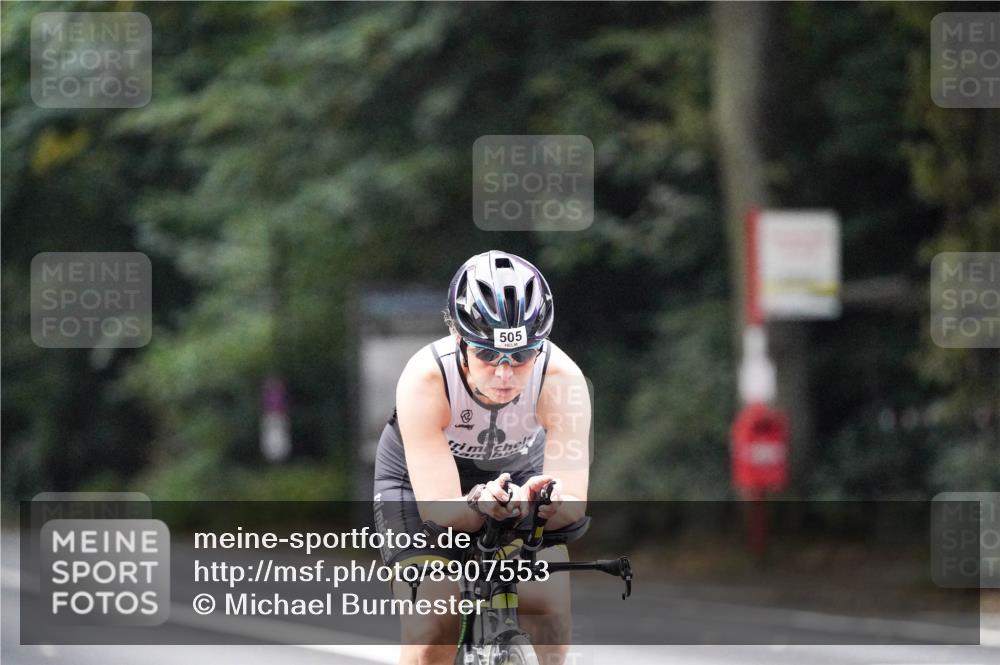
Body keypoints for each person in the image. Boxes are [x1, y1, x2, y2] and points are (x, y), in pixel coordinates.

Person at [373, 250, 591, 665]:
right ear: (459, 340)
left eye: (521, 356)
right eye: (488, 355)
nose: (505, 374)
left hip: (517, 474)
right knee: (433, 621)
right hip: (419, 484)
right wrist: (478, 502)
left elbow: (572, 508)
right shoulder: (426, 378)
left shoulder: (562, 380)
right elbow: (442, 512)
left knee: (549, 607)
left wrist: (540, 505)